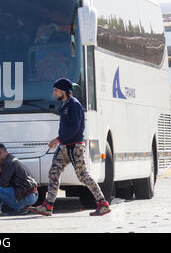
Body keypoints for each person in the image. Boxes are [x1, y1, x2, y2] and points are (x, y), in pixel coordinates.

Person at [27, 78, 111, 217]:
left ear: (64, 91)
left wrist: (58, 139)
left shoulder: (74, 105)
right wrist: (61, 141)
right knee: (54, 172)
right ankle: (48, 206)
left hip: (74, 146)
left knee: (83, 176)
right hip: (65, 146)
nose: (54, 93)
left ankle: (103, 204)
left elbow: (76, 127)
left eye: (56, 90)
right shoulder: (65, 105)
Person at [0, 143, 38, 215]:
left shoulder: (8, 163)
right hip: (33, 194)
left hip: (29, 196)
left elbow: (4, 184)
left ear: (6, 152)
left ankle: (19, 208)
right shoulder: (12, 159)